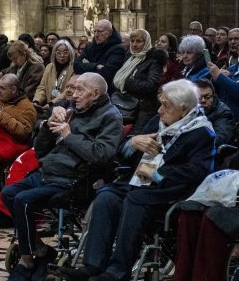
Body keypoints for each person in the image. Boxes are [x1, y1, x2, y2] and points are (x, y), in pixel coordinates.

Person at [57, 79, 215, 281]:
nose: (159, 110)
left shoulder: (202, 132)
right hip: (138, 181)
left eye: (165, 105)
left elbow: (198, 171)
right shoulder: (157, 122)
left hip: (168, 190)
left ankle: (117, 272)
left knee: (136, 199)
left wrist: (160, 175)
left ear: (183, 109)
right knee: (107, 196)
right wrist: (132, 142)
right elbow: (120, 152)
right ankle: (93, 266)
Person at [3, 72, 123, 281]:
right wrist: (48, 126)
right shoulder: (71, 111)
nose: (73, 95)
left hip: (74, 179)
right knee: (9, 193)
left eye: (79, 90)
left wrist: (69, 135)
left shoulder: (110, 116)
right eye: (73, 89)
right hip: (48, 171)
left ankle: (26, 259)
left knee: (23, 200)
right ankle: (39, 248)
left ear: (95, 94)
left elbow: (102, 155)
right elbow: (40, 150)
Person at [112, 29, 165, 134]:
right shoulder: (129, 56)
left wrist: (127, 82)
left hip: (144, 107)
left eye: (139, 41)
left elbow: (151, 86)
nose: (134, 44)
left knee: (134, 136)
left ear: (146, 43)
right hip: (124, 102)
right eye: (132, 41)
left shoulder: (154, 60)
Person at [0, 73, 36, 144]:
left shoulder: (27, 107)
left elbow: (25, 133)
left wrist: (2, 117)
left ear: (14, 90)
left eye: (2, 88)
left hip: (8, 143)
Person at [74, 19, 125, 93]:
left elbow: (106, 73)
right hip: (85, 90)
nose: (96, 35)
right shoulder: (89, 47)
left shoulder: (117, 49)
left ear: (110, 32)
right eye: (94, 31)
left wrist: (87, 65)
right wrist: (96, 66)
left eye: (100, 31)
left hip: (104, 91)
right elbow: (76, 65)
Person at [33, 39, 75, 108]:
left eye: (66, 52)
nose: (62, 55)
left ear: (70, 53)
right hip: (49, 105)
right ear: (54, 53)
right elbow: (42, 87)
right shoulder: (49, 67)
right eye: (59, 52)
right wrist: (37, 101)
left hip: (65, 106)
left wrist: (52, 103)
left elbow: (68, 90)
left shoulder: (74, 68)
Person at [209, 28, 239, 120]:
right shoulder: (231, 68)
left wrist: (219, 76)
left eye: (237, 39)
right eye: (230, 39)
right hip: (224, 117)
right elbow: (217, 93)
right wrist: (215, 79)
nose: (233, 42)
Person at [194, 79, 234, 147]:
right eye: (199, 98)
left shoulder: (223, 112)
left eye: (207, 97)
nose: (203, 101)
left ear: (214, 96)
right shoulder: (189, 111)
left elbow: (220, 139)